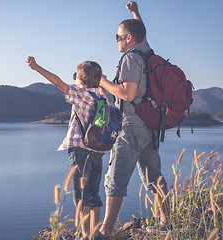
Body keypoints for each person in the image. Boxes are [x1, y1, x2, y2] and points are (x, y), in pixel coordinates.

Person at [98, 1, 170, 237]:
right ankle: (165, 221)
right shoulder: (147, 52)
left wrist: (104, 82)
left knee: (115, 179)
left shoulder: (131, 58)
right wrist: (135, 13)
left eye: (117, 37)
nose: (116, 40)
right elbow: (142, 32)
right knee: (154, 177)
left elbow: (128, 92)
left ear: (128, 38)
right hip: (151, 126)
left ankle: (106, 230)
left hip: (130, 128)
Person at [26, 56, 107, 239]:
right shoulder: (101, 97)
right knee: (94, 193)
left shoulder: (80, 95)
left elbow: (57, 81)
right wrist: (99, 82)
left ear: (79, 80)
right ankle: (96, 233)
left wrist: (36, 67)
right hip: (98, 151)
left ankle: (86, 234)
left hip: (80, 149)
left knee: (81, 195)